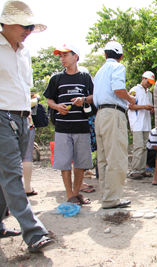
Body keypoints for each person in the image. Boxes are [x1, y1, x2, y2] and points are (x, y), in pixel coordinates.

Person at [0, 0, 54, 253]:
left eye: (32, 27)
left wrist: (29, 115)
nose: (29, 31)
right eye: (25, 26)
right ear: (7, 23)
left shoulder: (24, 52)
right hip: (1, 117)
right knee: (13, 173)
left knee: (5, 174)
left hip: (23, 117)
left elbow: (24, 87)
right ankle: (33, 234)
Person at [44, 44, 93, 206]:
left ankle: (76, 193)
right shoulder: (56, 78)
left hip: (82, 127)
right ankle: (69, 194)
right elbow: (49, 99)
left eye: (65, 55)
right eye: (61, 56)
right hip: (63, 128)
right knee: (64, 163)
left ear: (76, 57)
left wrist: (83, 100)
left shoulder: (85, 77)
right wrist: (57, 107)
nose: (62, 58)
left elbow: (94, 96)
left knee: (81, 163)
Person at [93, 41, 136, 209]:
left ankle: (106, 196)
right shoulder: (118, 67)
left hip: (100, 114)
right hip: (113, 114)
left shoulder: (99, 71)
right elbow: (118, 90)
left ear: (105, 55)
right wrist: (130, 99)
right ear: (121, 56)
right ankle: (112, 200)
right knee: (117, 158)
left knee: (103, 159)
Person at [127, 71, 155, 179]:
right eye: (148, 82)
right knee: (138, 146)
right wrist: (144, 107)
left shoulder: (149, 93)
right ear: (143, 78)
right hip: (137, 122)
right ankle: (134, 170)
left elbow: (148, 107)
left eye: (151, 83)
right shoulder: (135, 90)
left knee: (144, 147)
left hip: (146, 123)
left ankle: (142, 169)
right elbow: (130, 106)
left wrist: (151, 109)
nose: (149, 84)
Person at [23, 92, 41, 196]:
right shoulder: (23, 96)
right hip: (27, 125)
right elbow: (33, 102)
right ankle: (27, 187)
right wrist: (37, 97)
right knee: (27, 157)